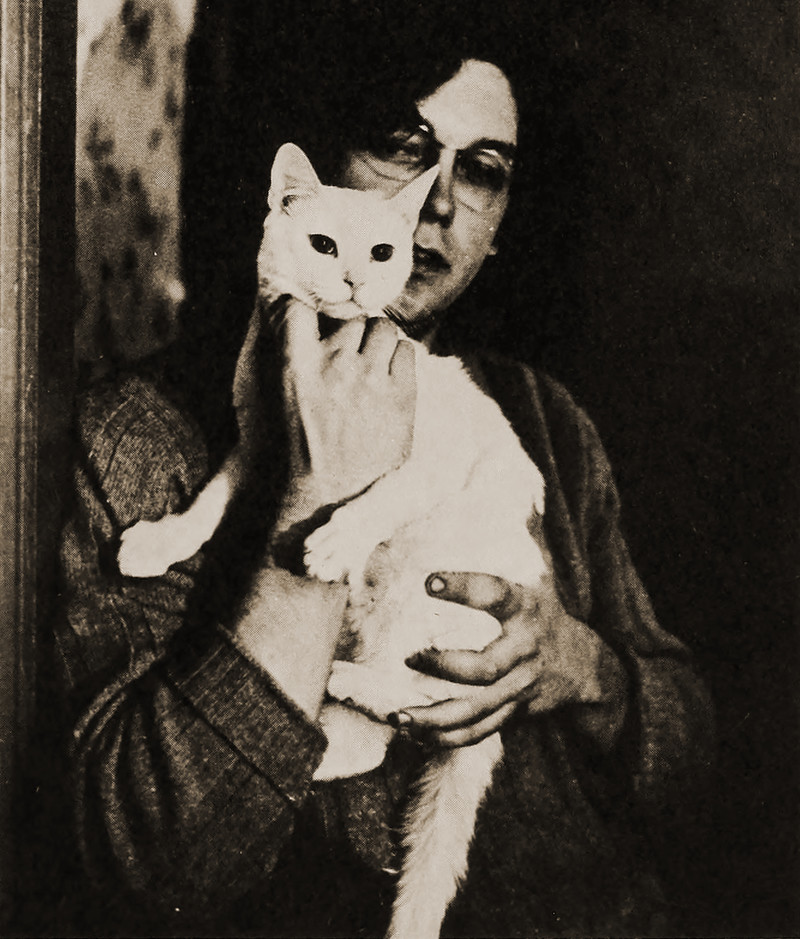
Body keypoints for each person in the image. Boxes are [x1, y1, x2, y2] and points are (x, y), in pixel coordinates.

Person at [57, 12, 713, 938]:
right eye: (405, 144)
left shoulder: (543, 422)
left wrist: (579, 666)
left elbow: (695, 753)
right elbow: (149, 861)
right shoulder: (138, 441)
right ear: (311, 163)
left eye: (482, 170)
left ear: (502, 223)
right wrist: (310, 504)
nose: (437, 201)